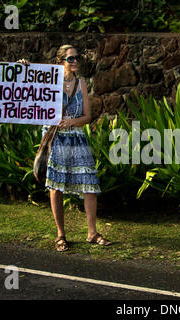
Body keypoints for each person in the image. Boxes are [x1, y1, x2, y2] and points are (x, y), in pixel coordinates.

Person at [18, 44, 112, 252]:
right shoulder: (50, 81)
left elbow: (87, 117)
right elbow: (28, 89)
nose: (75, 61)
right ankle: (61, 234)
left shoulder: (82, 84)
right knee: (56, 187)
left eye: (77, 57)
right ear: (60, 61)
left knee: (89, 183)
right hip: (55, 139)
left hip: (76, 137)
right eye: (71, 58)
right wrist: (23, 68)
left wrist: (72, 122)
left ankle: (92, 232)